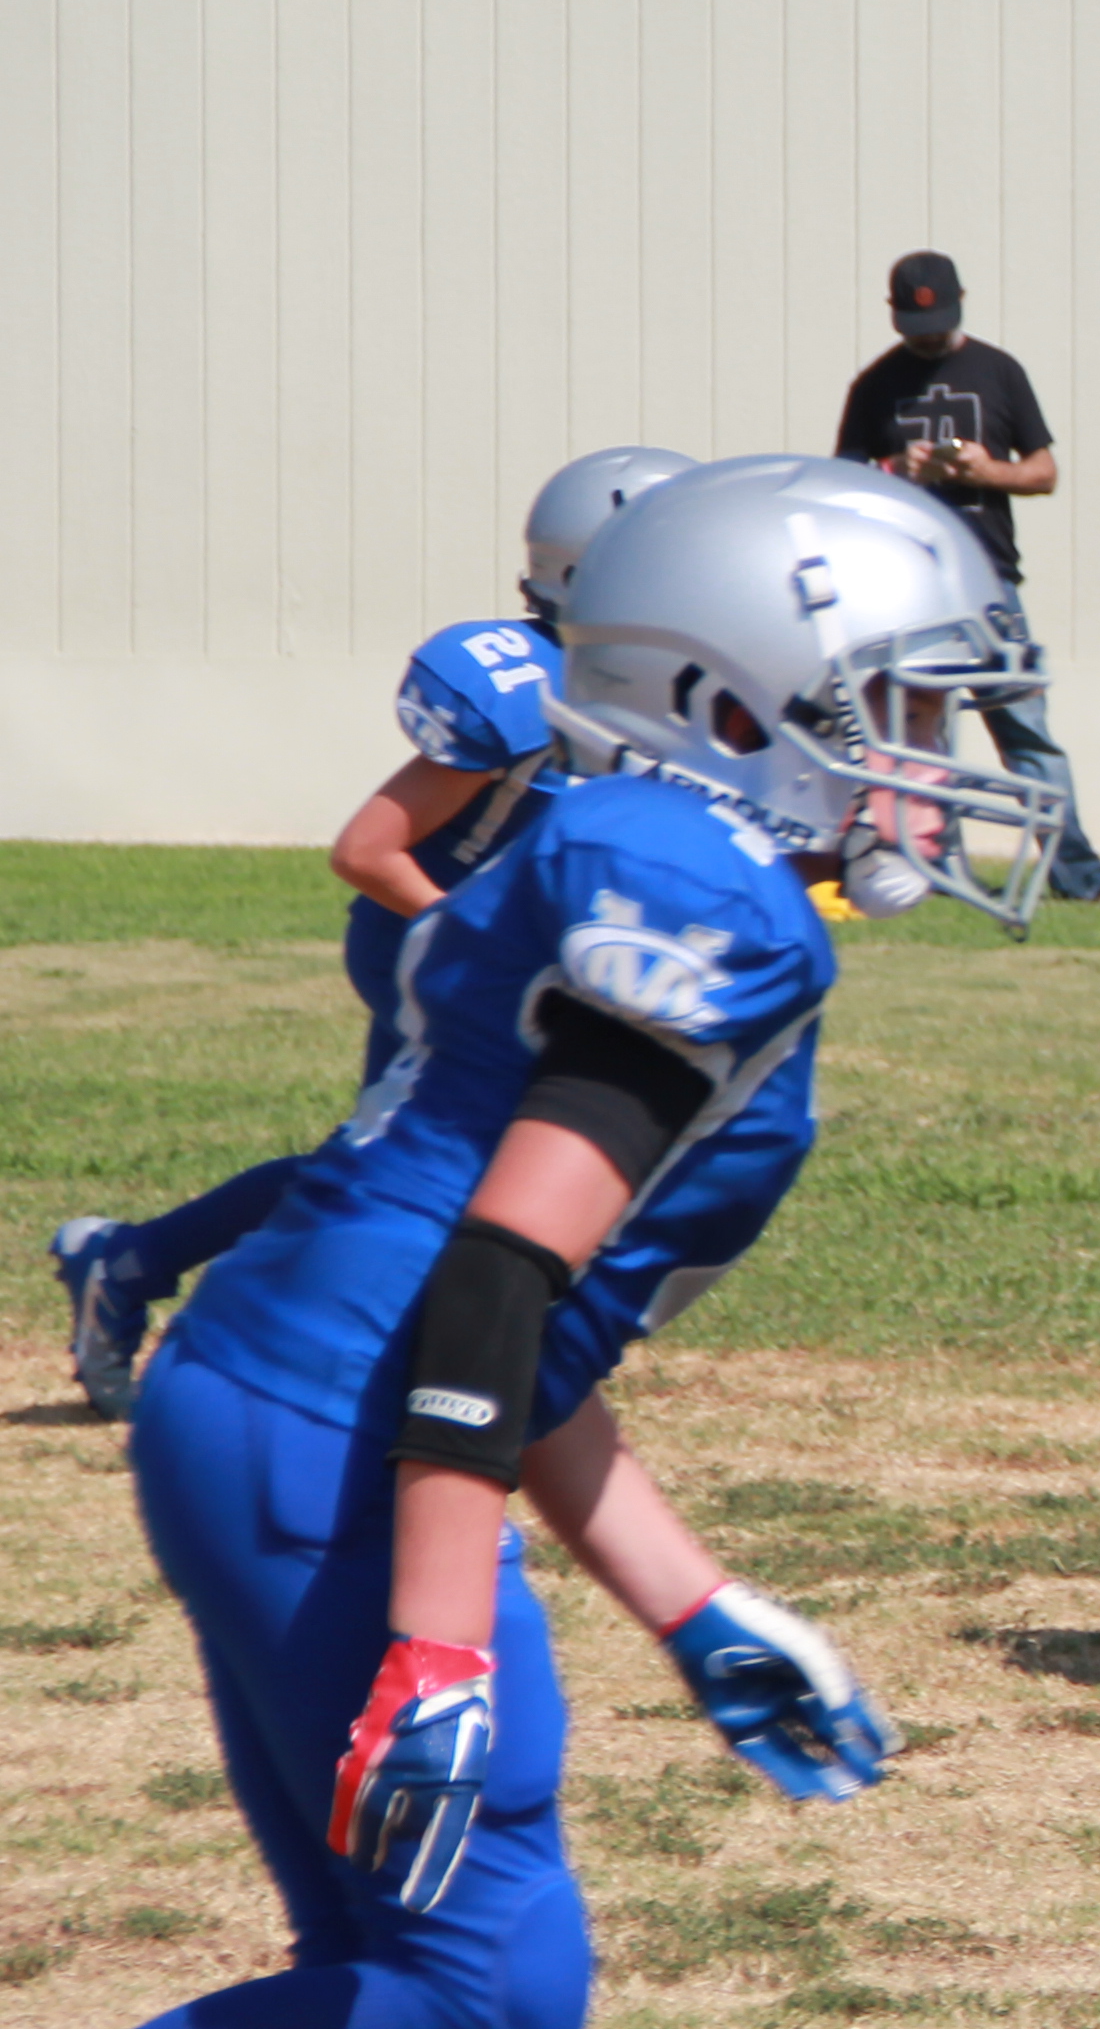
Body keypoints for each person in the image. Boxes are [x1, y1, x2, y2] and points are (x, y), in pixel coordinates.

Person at [0, 459, 1057, 2029]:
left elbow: (510, 1309)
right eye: (903, 698)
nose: (944, 746)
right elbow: (488, 1295)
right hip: (345, 1435)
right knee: (482, 1991)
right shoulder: (704, 895)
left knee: (378, 1977)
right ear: (734, 702)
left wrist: (690, 1598)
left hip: (283, 1395)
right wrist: (435, 1643)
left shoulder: (625, 835)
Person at [52, 446, 692, 1417]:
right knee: (404, 1170)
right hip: (430, 944)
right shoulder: (527, 687)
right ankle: (154, 1273)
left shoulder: (642, 693)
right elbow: (367, 850)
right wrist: (477, 943)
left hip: (516, 959)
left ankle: (136, 1261)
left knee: (404, 1166)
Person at [833, 250, 1100, 905]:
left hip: (988, 585)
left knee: (1026, 731)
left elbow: (1043, 472)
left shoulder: (999, 372)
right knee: (920, 738)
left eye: (939, 321)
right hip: (904, 589)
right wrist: (897, 469)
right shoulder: (873, 387)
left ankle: (1082, 879)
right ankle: (937, 875)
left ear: (960, 301)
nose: (929, 336)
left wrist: (982, 472)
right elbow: (843, 485)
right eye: (915, 326)